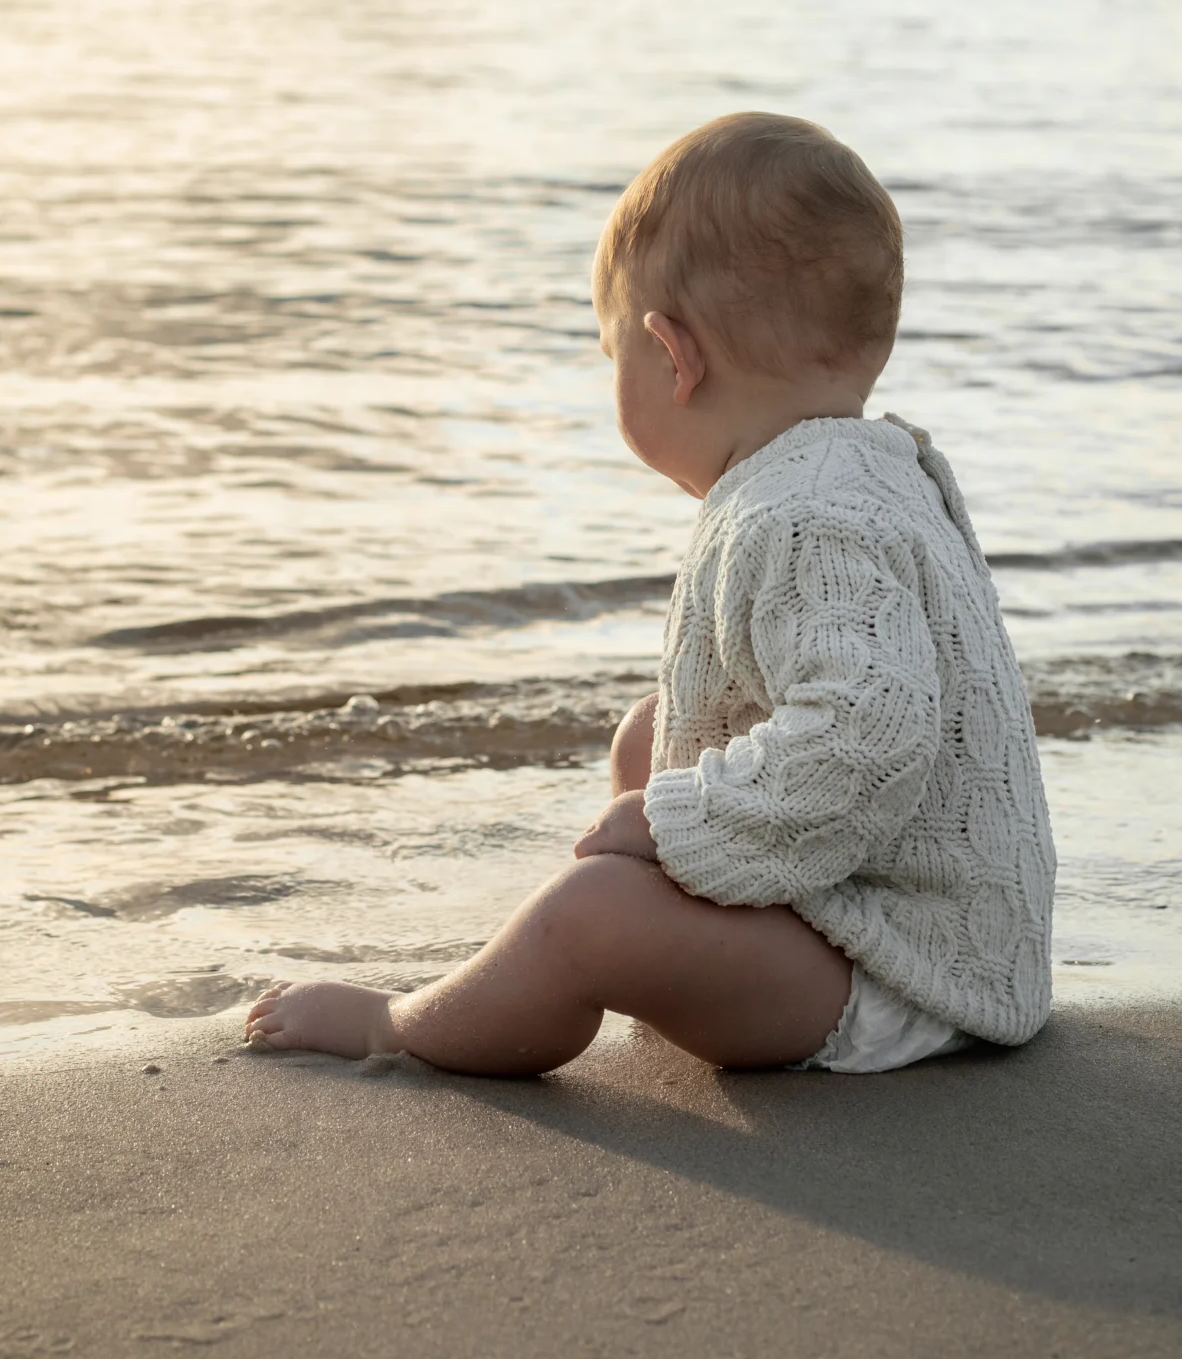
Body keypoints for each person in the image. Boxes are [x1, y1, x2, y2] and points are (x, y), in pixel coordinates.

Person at [245, 112, 1055, 1076]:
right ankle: (691, 937)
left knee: (588, 917)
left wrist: (679, 827)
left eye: (610, 356)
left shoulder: (799, 516)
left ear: (673, 357)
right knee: (653, 731)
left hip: (903, 977)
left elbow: (870, 732)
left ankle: (401, 1027)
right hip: (924, 923)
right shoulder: (863, 472)